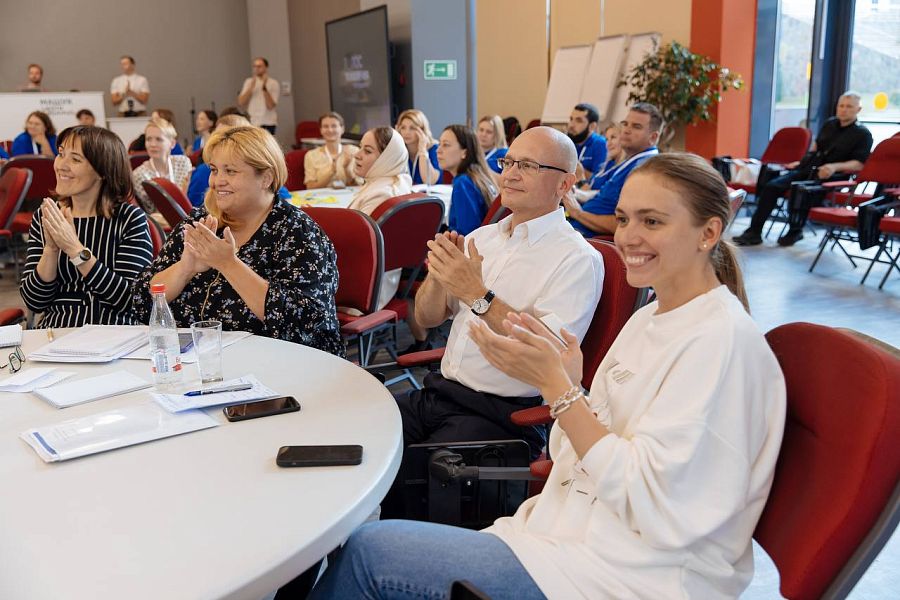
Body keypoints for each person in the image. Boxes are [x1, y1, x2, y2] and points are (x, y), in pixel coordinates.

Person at [309, 153, 787, 600]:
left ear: (708, 233)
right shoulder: (652, 318)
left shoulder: (720, 345)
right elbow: (571, 449)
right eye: (623, 219)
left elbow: (652, 504)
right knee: (352, 480)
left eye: (653, 221)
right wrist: (572, 390)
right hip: (563, 528)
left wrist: (559, 389)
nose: (627, 237)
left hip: (625, 573)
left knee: (370, 552)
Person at [387, 126, 604, 479]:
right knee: (362, 436)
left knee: (409, 477)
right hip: (439, 391)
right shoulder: (483, 237)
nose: (511, 174)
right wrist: (440, 278)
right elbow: (426, 319)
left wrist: (476, 293)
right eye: (508, 162)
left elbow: (547, 355)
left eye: (529, 166)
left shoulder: (577, 258)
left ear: (564, 185)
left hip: (502, 413)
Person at [131, 126, 342, 355]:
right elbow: (142, 300)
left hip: (282, 366)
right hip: (198, 364)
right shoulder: (201, 221)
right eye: (214, 170)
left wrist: (228, 264)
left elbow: (301, 324)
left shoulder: (298, 234)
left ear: (266, 178)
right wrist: (185, 268)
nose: (217, 181)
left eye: (230, 171)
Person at [20, 126, 153, 328]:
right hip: (56, 335)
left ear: (103, 171)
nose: (61, 165)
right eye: (61, 154)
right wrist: (51, 250)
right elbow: (35, 301)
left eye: (75, 159)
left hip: (114, 335)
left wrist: (75, 249)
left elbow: (132, 301)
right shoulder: (48, 215)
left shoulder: (129, 219)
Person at [733, 91, 873, 247]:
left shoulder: (863, 134)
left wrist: (834, 166)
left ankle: (795, 230)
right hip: (809, 169)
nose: (844, 109)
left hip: (833, 176)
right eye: (841, 106)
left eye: (849, 106)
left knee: (798, 190)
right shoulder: (830, 124)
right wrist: (801, 162)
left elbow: (859, 164)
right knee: (772, 186)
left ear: (858, 110)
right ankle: (754, 231)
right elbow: (816, 148)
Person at [564, 103, 662, 236]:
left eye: (636, 126)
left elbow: (625, 224)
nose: (626, 130)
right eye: (625, 124)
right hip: (576, 227)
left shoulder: (644, 169)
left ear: (653, 137)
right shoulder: (631, 162)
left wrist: (577, 212)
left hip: (587, 238)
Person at [437, 124, 496, 235]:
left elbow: (466, 234)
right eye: (439, 144)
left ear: (464, 152)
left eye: (445, 145)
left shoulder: (463, 183)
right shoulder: (476, 176)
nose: (438, 150)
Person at [131, 118, 193, 214]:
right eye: (148, 139)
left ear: (172, 143)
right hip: (158, 226)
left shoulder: (182, 163)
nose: (152, 144)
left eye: (158, 139)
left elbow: (189, 197)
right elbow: (149, 213)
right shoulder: (139, 175)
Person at [347, 127, 412, 215]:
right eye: (360, 147)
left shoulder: (381, 195)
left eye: (367, 151)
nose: (357, 155)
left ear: (386, 159)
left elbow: (357, 228)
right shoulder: (395, 182)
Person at [303, 112, 362, 189]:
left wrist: (347, 170)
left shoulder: (354, 151)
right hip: (323, 198)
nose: (330, 130)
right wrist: (332, 171)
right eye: (325, 126)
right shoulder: (311, 155)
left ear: (342, 129)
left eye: (334, 126)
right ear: (321, 130)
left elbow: (360, 187)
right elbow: (310, 187)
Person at [396, 109, 441, 185]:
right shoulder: (401, 151)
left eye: (412, 128)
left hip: (432, 195)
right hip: (409, 195)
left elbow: (429, 180)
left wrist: (422, 150)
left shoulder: (434, 149)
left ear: (422, 130)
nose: (407, 132)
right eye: (403, 127)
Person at [237, 57, 280, 134]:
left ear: (266, 67)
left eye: (259, 66)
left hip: (268, 122)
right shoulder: (249, 82)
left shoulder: (273, 83)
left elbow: (270, 106)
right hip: (252, 121)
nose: (256, 68)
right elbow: (241, 102)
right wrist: (251, 88)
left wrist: (264, 86)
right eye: (254, 66)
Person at [567, 102, 607, 179]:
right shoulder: (570, 141)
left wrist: (576, 169)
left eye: (578, 121)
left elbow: (598, 180)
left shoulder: (600, 144)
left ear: (592, 126)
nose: (571, 125)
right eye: (571, 119)